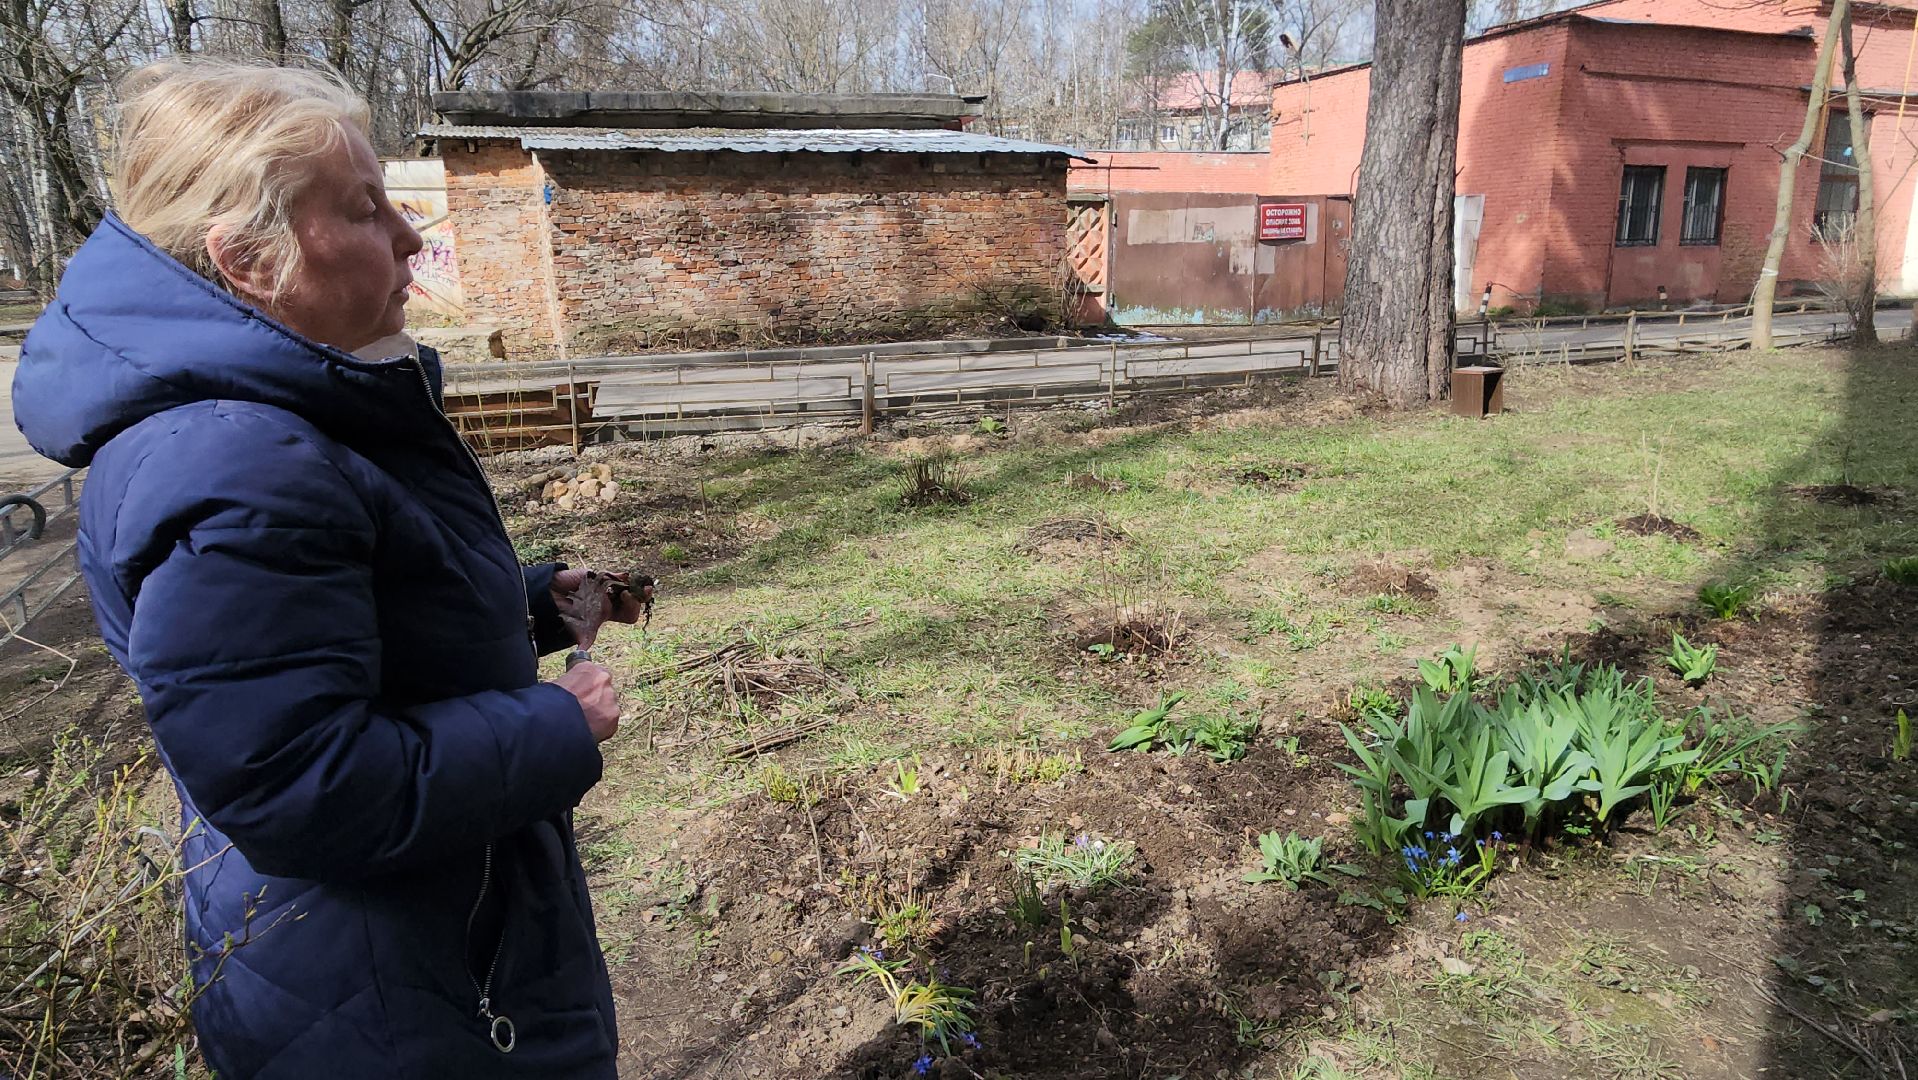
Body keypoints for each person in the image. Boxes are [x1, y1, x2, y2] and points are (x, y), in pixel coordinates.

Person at [12, 59, 635, 1078]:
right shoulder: (237, 460)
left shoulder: (281, 424)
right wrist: (553, 725)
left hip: (404, 963)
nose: (408, 238)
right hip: (397, 1006)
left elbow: (319, 637)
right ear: (250, 260)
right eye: (362, 209)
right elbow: (301, 782)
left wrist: (522, 609)